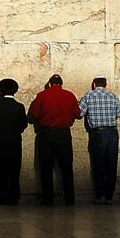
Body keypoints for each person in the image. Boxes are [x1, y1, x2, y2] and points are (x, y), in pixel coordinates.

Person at [27, 74, 80, 206]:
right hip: (64, 134)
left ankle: (48, 199)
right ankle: (69, 198)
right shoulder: (70, 95)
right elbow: (77, 114)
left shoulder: (42, 96)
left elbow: (34, 115)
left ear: (50, 84)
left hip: (47, 134)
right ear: (61, 84)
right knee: (67, 167)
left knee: (46, 167)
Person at [78, 76, 120, 205]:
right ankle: (110, 196)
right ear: (105, 85)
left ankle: (100, 195)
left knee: (98, 165)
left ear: (94, 84)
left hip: (97, 133)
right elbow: (118, 113)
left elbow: (80, 113)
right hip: (112, 132)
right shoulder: (112, 96)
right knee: (112, 164)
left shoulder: (89, 96)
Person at [0, 78, 27, 205]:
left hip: (0, 142)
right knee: (15, 170)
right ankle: (14, 196)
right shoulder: (19, 107)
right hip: (15, 142)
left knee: (1, 170)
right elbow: (23, 125)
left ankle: (3, 197)